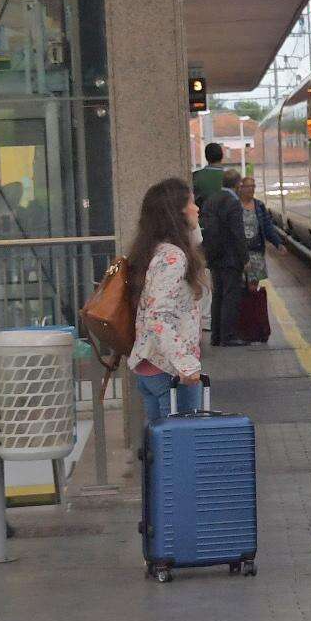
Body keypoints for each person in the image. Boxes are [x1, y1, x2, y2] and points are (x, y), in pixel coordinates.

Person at [125, 178, 208, 430]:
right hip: (170, 372)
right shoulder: (173, 257)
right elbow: (158, 317)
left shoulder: (153, 251)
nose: (197, 209)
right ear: (178, 212)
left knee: (160, 456)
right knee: (179, 455)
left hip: (151, 369)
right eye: (192, 203)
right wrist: (186, 364)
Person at [232, 174, 284, 345]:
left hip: (256, 254)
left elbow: (267, 227)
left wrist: (278, 243)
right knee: (240, 290)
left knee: (253, 290)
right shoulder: (235, 207)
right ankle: (243, 328)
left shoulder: (259, 206)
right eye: (248, 186)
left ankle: (255, 328)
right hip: (239, 255)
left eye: (253, 186)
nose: (252, 189)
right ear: (240, 188)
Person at [200, 171, 249, 348]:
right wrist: (245, 258)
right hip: (230, 258)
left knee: (218, 296)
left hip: (214, 256)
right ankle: (228, 336)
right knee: (230, 296)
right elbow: (238, 233)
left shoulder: (211, 200)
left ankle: (216, 336)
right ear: (237, 185)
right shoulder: (233, 202)